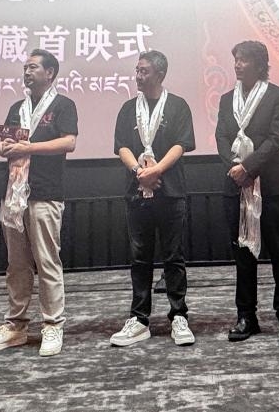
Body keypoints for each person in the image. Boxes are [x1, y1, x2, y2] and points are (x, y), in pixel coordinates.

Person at [0, 49, 78, 357]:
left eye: (33, 67)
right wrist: (4, 147)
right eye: (25, 68)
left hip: (45, 193)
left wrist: (28, 147)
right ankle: (16, 326)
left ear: (50, 73)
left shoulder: (63, 105)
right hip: (14, 195)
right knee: (16, 264)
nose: (27, 72)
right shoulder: (17, 108)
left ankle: (53, 324)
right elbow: (3, 143)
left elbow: (69, 142)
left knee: (47, 261)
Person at [109, 50, 197, 347]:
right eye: (137, 70)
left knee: (174, 257)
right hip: (136, 192)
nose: (138, 75)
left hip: (171, 192)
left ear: (160, 74)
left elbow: (181, 144)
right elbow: (121, 146)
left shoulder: (178, 105)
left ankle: (179, 315)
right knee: (139, 258)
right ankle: (139, 319)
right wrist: (139, 172)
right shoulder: (127, 108)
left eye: (143, 71)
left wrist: (156, 170)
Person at [215, 40, 279, 345]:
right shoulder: (227, 99)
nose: (237, 65)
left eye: (243, 60)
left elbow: (277, 139)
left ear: (260, 64)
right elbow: (221, 137)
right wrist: (235, 169)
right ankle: (246, 315)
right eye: (236, 59)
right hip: (235, 186)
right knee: (242, 254)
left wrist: (248, 167)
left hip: (271, 185)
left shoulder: (278, 95)